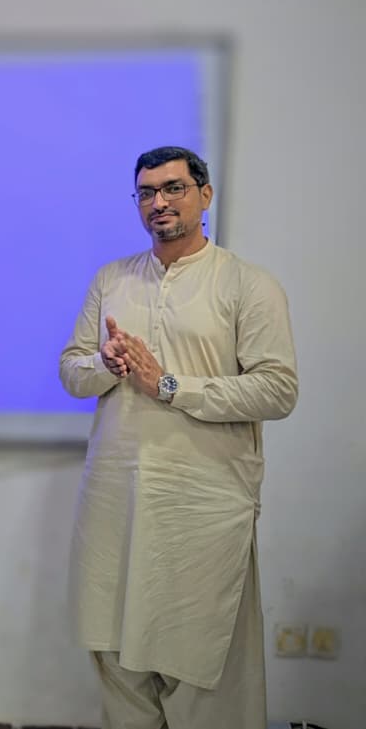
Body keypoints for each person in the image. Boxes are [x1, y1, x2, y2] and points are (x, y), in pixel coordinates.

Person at [59, 146, 298, 728]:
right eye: (146, 192)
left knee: (202, 668)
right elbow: (71, 371)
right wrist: (105, 363)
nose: (158, 202)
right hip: (116, 502)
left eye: (173, 188)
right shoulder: (112, 278)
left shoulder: (247, 283)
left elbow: (277, 390)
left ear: (204, 195)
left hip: (203, 509)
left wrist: (169, 385)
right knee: (117, 658)